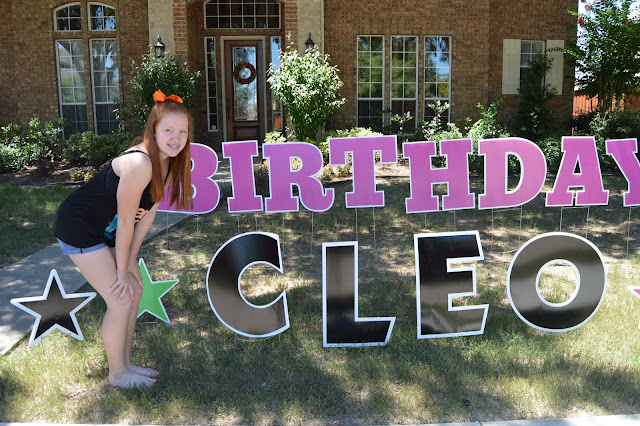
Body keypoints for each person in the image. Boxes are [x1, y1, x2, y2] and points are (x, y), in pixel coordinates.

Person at [53, 90, 193, 388]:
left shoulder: (169, 163)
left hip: (105, 232)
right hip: (79, 228)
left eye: (182, 131)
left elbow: (148, 215)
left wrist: (130, 261)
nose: (176, 138)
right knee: (120, 298)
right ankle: (117, 374)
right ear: (153, 129)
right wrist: (120, 271)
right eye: (168, 130)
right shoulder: (139, 164)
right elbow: (127, 220)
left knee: (135, 291)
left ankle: (126, 364)